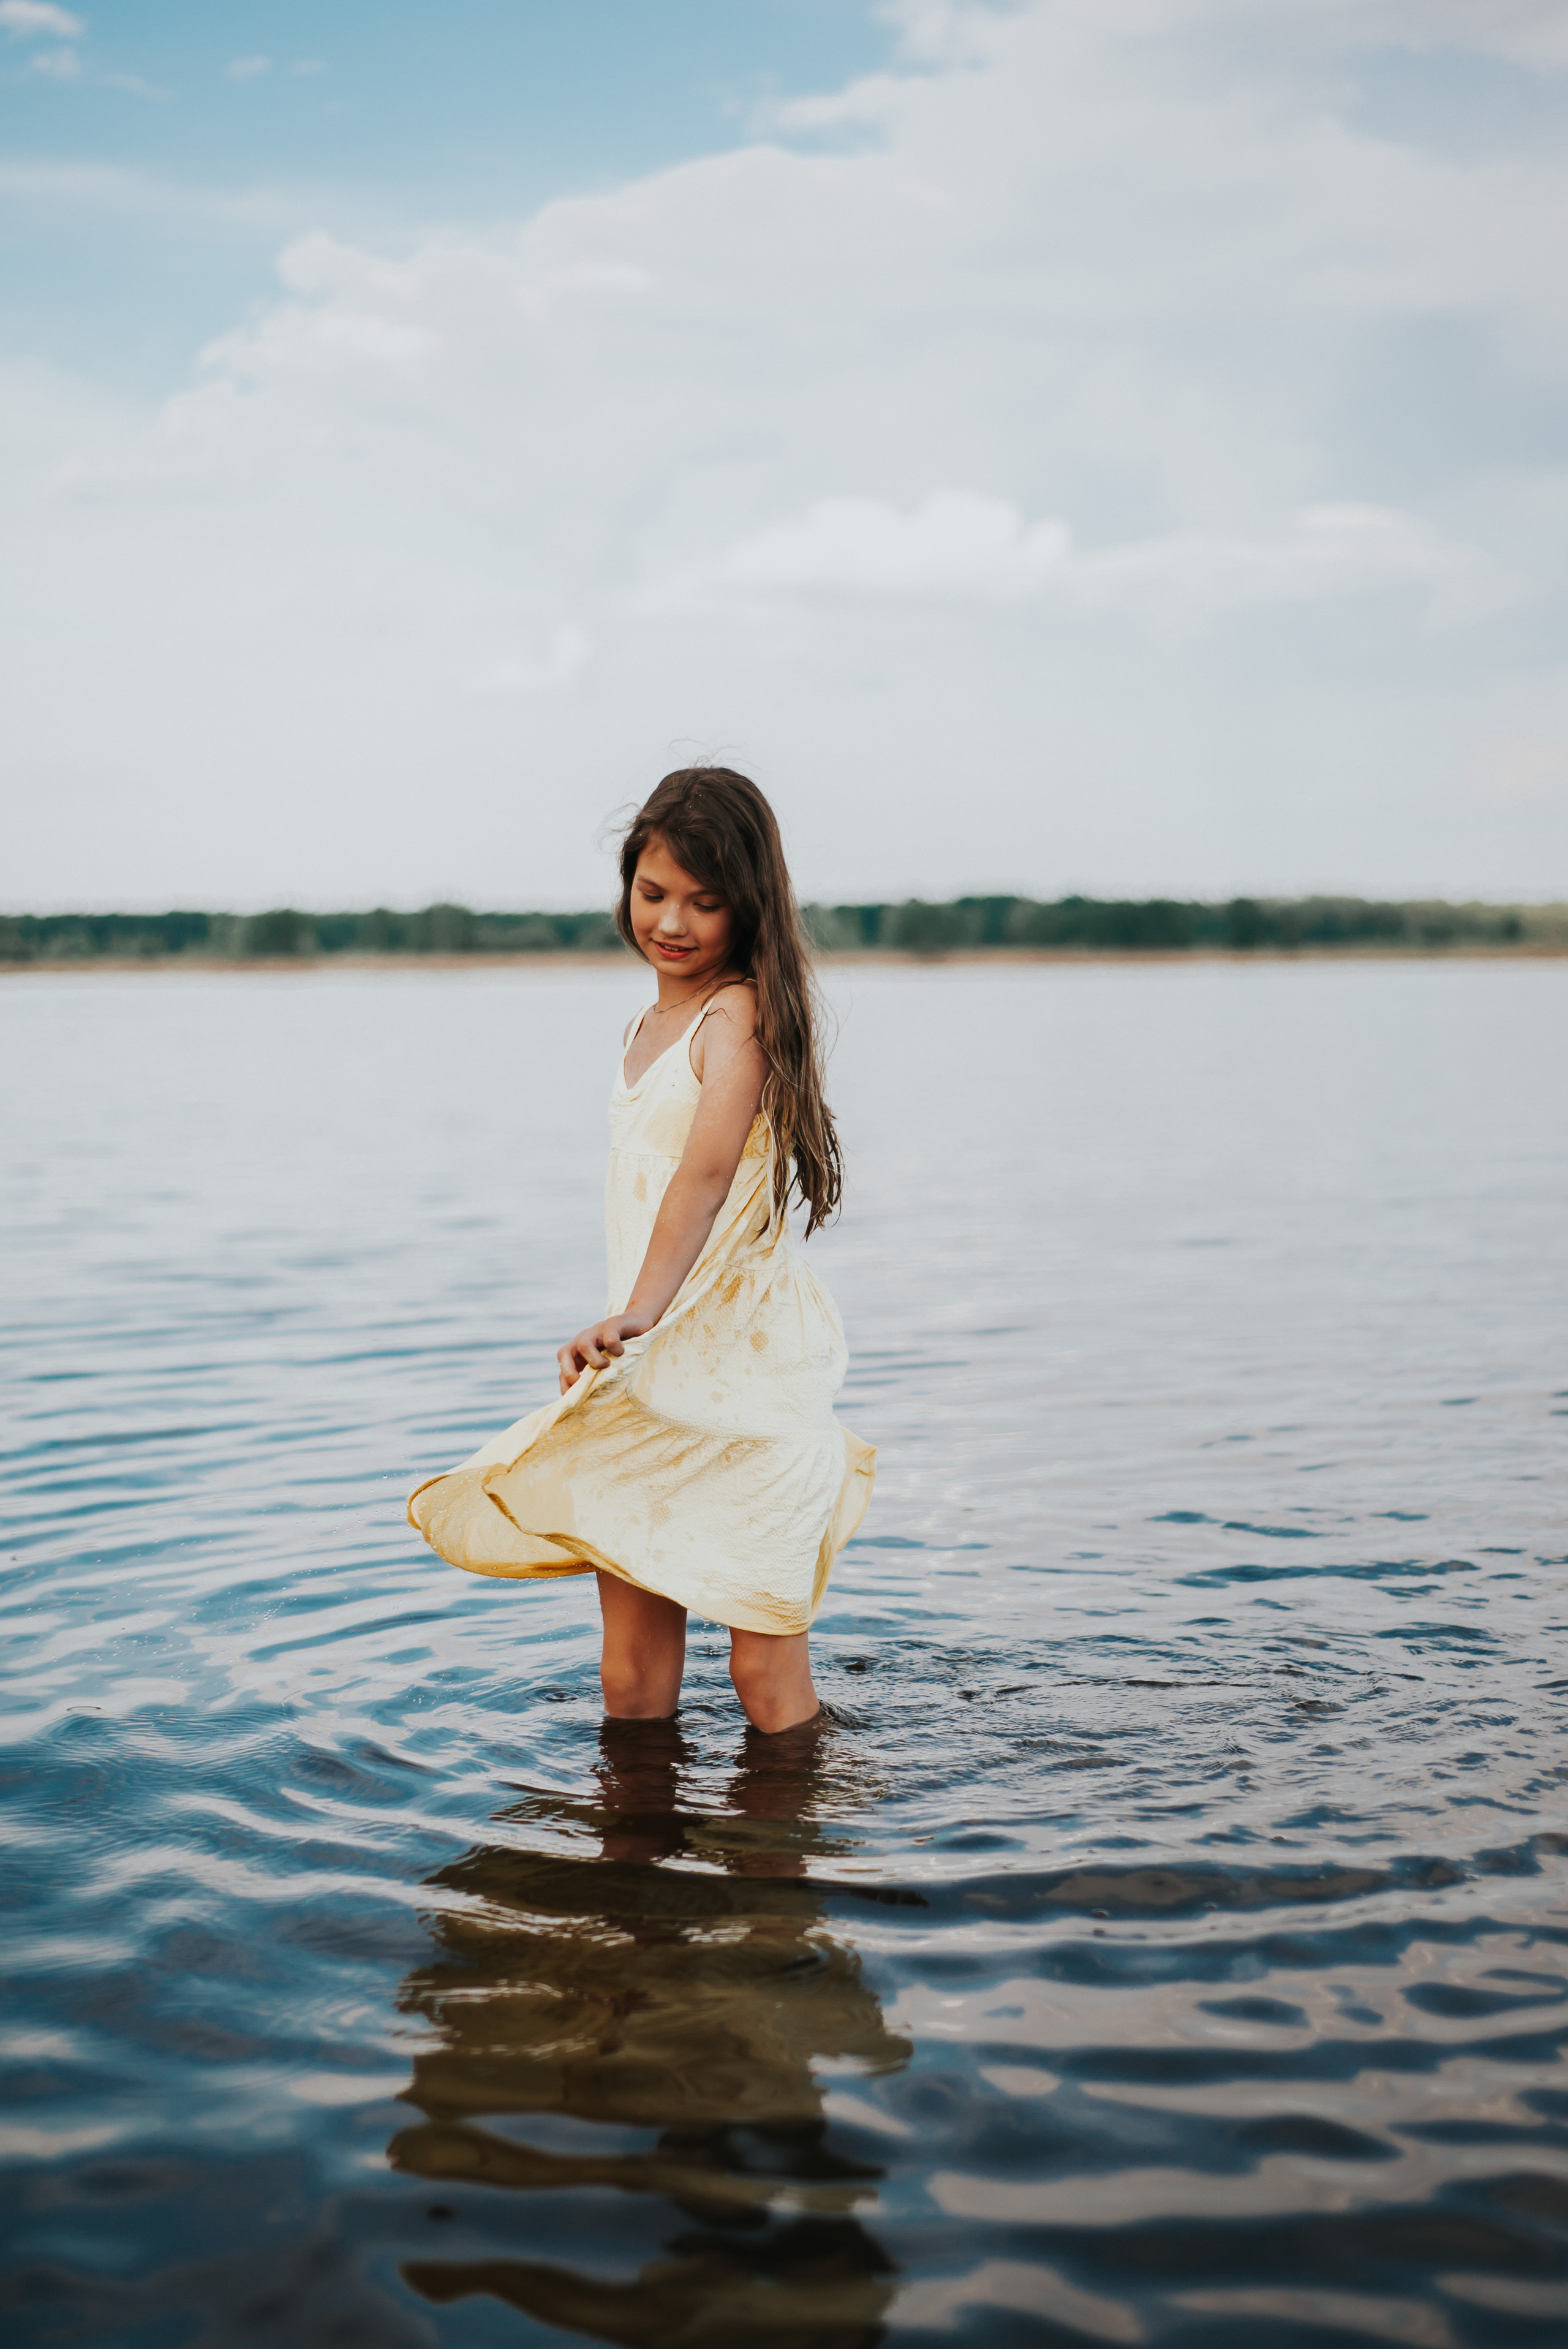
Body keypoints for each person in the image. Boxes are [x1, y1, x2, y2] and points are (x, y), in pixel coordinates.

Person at [409, 766, 875, 1733]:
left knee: (762, 1673)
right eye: (654, 891)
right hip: (657, 1370)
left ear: (749, 906)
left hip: (744, 1380)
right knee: (629, 1674)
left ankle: (787, 1860)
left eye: (706, 902)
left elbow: (700, 1181)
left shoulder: (736, 1017)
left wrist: (639, 1310)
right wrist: (639, 1331)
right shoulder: (645, 1024)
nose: (673, 921)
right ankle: (634, 1867)